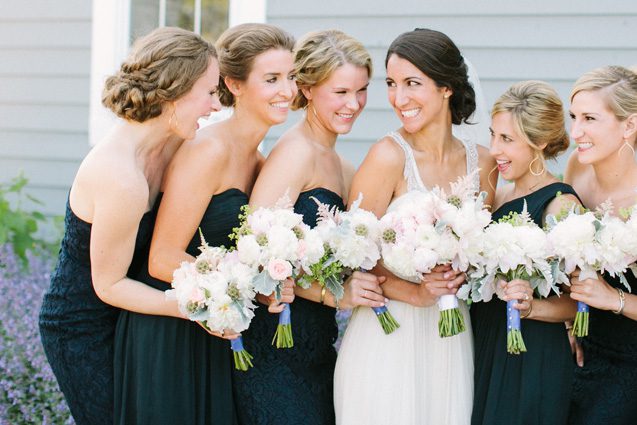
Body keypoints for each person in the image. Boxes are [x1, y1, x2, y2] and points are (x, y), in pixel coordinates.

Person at [112, 23, 297, 425]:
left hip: (212, 325)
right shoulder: (207, 149)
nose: (288, 90)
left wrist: (266, 286)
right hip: (167, 332)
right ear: (235, 83)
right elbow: (161, 258)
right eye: (272, 79)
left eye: (292, 77)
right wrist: (237, 290)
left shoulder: (260, 161)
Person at [38, 27, 219, 425]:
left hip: (128, 317)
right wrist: (200, 307)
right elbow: (109, 285)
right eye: (209, 92)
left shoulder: (172, 144)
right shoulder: (120, 178)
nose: (215, 104)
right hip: (80, 328)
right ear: (175, 93)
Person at [334, 28, 496, 425]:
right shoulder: (388, 157)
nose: (398, 98)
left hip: (452, 340)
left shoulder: (485, 163)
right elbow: (352, 258)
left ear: (446, 88)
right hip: (386, 337)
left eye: (412, 83)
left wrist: (464, 272)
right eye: (391, 84)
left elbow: (482, 256)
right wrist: (416, 293)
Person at [231, 29, 384, 425]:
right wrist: (332, 295)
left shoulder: (340, 163)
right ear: (308, 89)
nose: (354, 104)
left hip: (317, 344)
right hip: (277, 348)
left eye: (362, 90)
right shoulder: (294, 154)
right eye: (341, 92)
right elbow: (253, 258)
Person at [470, 80, 580, 425]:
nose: (495, 149)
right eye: (493, 136)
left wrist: (533, 306)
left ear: (540, 142)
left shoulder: (561, 205)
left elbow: (580, 302)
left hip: (532, 354)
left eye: (507, 140)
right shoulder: (497, 196)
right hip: (487, 339)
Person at [565, 65, 637, 425]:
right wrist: (571, 325)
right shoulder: (577, 170)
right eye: (574, 117)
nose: (576, 132)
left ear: (629, 125)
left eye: (590, 118)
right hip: (582, 348)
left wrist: (614, 299)